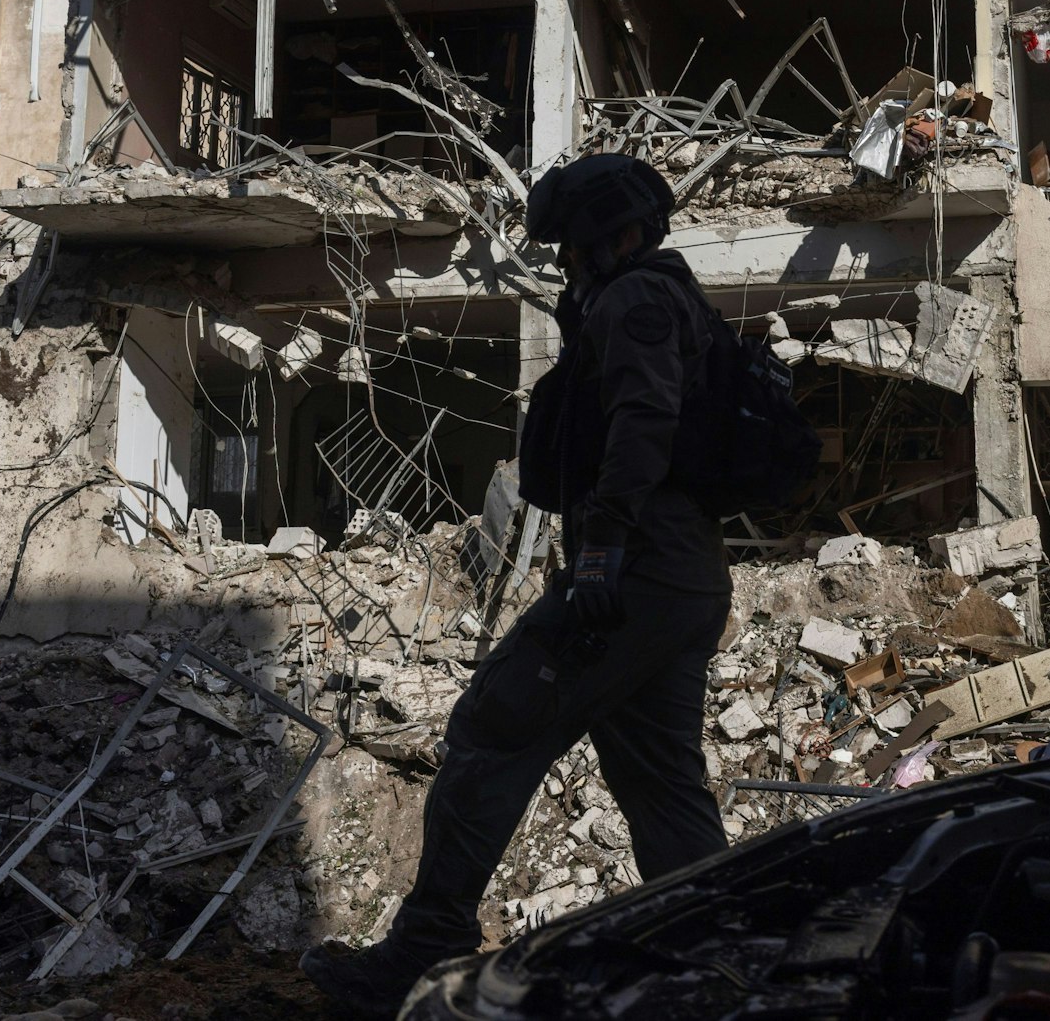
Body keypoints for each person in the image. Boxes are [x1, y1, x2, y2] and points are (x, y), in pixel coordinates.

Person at [301, 154, 733, 1016]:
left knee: (492, 726)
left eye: (573, 249)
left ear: (617, 236)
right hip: (680, 581)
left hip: (635, 576)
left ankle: (425, 944)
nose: (568, 266)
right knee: (659, 781)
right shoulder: (666, 297)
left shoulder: (638, 299)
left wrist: (602, 551)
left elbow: (645, 421)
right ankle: (719, 963)